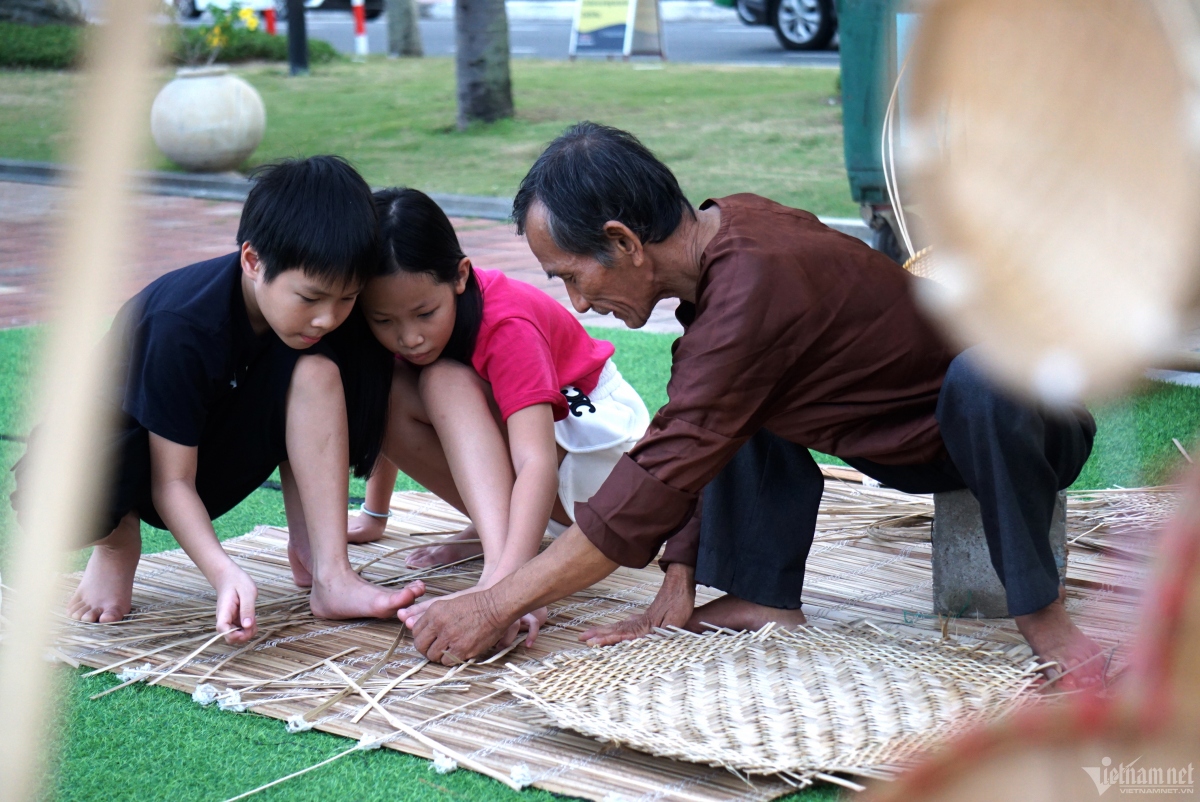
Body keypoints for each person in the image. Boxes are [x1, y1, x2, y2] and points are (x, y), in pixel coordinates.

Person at [401, 122, 1105, 689]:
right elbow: (691, 427)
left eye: (574, 277)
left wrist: (496, 602)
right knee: (715, 383)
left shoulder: (754, 283)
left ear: (622, 241)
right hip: (913, 441)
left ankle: (1045, 621)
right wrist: (677, 580)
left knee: (982, 377)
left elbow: (651, 484)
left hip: (1027, 422)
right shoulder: (726, 238)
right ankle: (762, 592)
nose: (579, 304)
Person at [12, 156, 425, 645]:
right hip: (129, 457)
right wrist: (225, 574)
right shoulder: (181, 325)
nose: (327, 318)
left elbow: (316, 414)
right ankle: (116, 542)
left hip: (218, 441)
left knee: (315, 370)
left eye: (346, 299)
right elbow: (172, 482)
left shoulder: (322, 314)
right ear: (253, 261)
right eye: (310, 298)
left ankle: (327, 568)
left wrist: (340, 533)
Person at [352, 188, 649, 647]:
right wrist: (375, 514)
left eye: (424, 313)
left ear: (460, 276)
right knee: (388, 385)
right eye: (384, 321)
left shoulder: (506, 321)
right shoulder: (404, 328)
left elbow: (535, 463)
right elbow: (384, 412)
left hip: (604, 469)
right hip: (548, 465)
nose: (408, 336)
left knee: (441, 380)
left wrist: (505, 593)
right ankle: (497, 546)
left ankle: (503, 566)